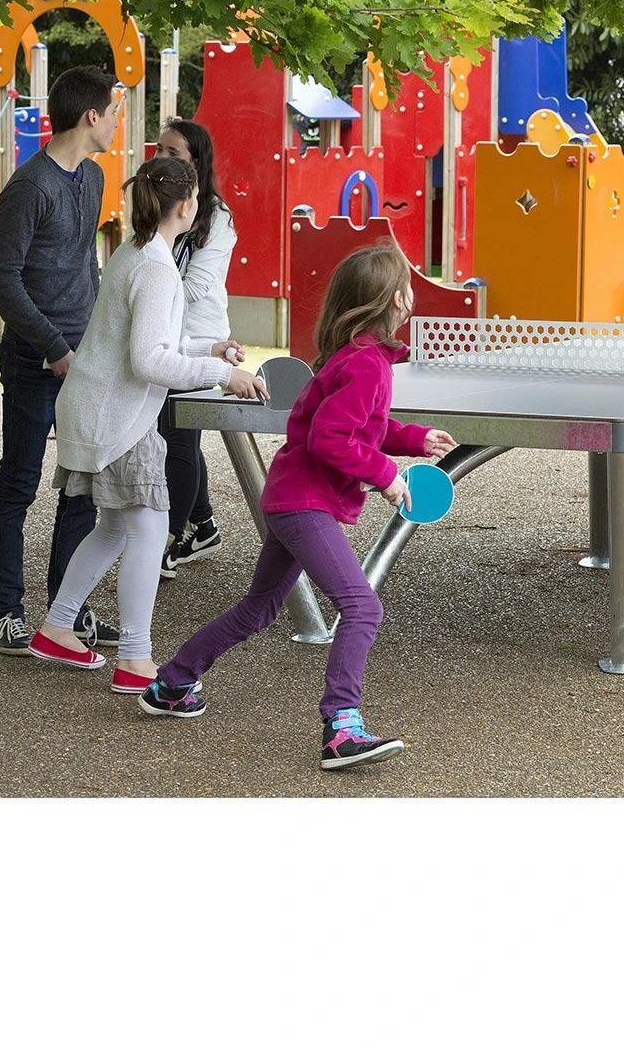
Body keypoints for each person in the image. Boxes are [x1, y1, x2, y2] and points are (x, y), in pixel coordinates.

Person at [138, 245, 456, 771]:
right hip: (304, 504)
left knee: (259, 608)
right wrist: (387, 478)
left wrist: (414, 439)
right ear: (396, 298)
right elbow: (332, 440)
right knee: (362, 607)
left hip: (292, 500)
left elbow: (362, 429)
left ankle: (173, 683)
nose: (413, 289)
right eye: (408, 282)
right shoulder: (366, 364)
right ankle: (341, 727)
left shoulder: (359, 358)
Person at [27, 156, 264, 688]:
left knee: (114, 528)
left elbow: (158, 343)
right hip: (117, 421)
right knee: (150, 528)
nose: (199, 206)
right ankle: (135, 659)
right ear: (184, 206)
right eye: (197, 198)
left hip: (103, 413)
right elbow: (148, 362)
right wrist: (223, 376)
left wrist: (212, 347)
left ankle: (57, 626)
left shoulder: (137, 253)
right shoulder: (155, 267)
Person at [0, 65, 122, 656]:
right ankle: (6, 614)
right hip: (34, 362)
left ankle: (67, 613)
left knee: (81, 488)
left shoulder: (92, 179)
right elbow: (0, 283)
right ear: (91, 116)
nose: (116, 121)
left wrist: (92, 346)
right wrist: (56, 349)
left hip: (81, 362)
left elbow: (82, 269)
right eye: (113, 111)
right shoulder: (30, 186)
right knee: (20, 483)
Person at [152, 119, 238, 581]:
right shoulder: (156, 205)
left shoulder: (217, 218)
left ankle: (166, 540)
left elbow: (197, 285)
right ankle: (202, 525)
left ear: (197, 163)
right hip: (166, 336)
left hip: (199, 340)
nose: (162, 158)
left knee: (178, 439)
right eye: (160, 150)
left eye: (174, 153)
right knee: (173, 433)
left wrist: (146, 299)